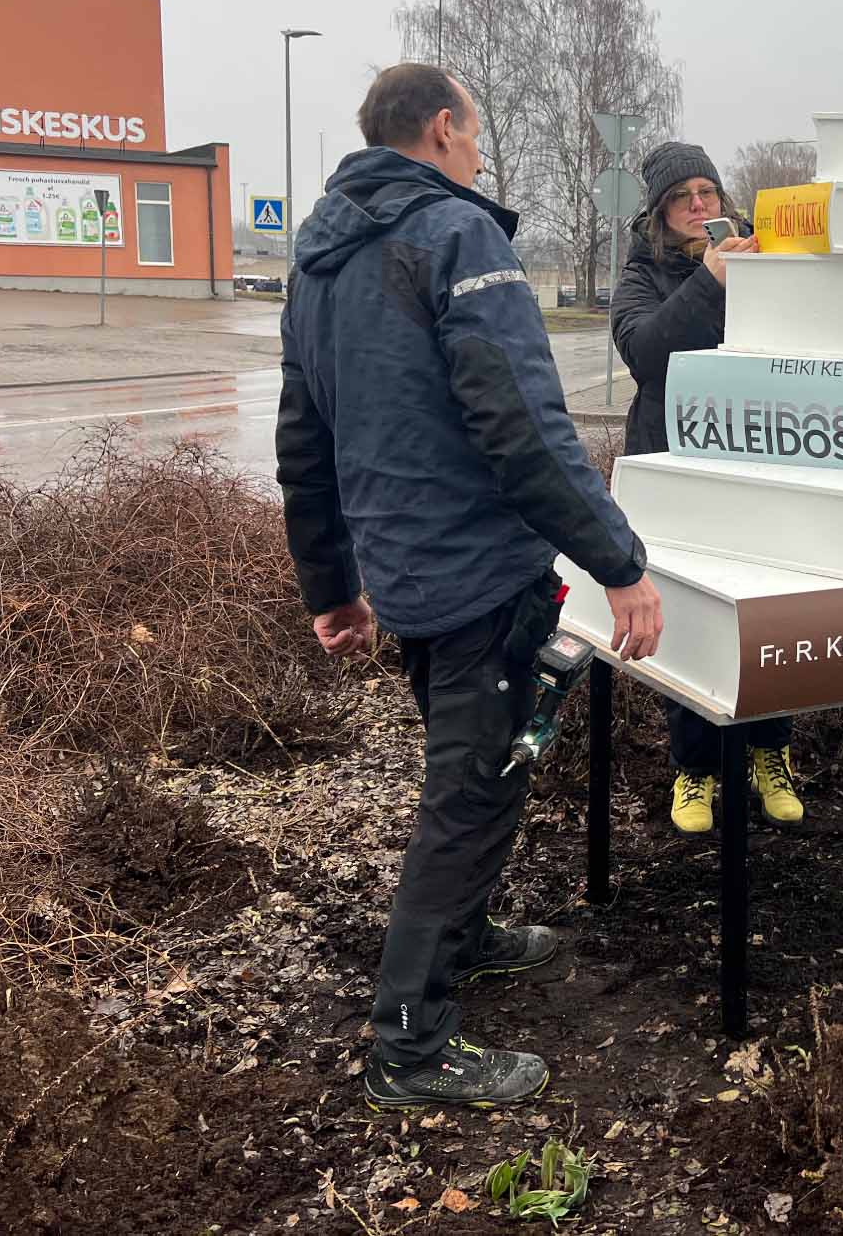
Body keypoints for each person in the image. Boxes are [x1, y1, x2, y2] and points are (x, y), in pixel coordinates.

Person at [277, 63, 664, 1110]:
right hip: (474, 574)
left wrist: (334, 583)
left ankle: (471, 936)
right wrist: (619, 562)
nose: (483, 153)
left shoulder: (316, 260)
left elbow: (302, 442)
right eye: (477, 132)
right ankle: (408, 1044)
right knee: (465, 801)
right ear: (442, 129)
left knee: (481, 781)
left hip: (405, 575)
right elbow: (522, 425)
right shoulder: (456, 237)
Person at [609, 142, 804, 836]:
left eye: (708, 191)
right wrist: (711, 283)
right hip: (675, 469)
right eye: (682, 197)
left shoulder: (759, 265)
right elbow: (646, 352)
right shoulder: (640, 275)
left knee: (766, 607)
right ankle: (695, 768)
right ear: (661, 213)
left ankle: (768, 752)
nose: (699, 204)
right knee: (689, 617)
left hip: (754, 467)